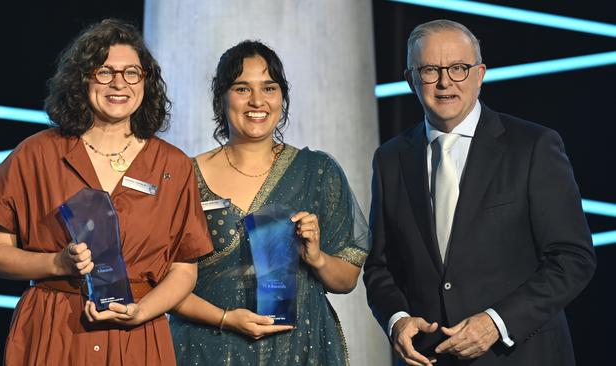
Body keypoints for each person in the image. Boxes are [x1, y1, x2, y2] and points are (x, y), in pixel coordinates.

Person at [0, 19, 212, 365]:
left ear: (146, 81)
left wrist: (141, 311)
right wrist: (56, 263)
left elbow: (184, 269)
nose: (119, 83)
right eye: (104, 72)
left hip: (138, 338)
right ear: (82, 79)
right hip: (52, 333)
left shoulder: (172, 166)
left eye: (132, 73)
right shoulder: (36, 154)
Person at [363, 19, 596, 366]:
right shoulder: (389, 159)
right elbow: (379, 268)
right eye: (429, 70)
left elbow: (573, 259)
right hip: (428, 359)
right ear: (411, 79)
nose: (445, 83)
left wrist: (496, 322)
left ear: (480, 73)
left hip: (520, 355)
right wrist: (397, 320)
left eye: (458, 68)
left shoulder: (533, 146)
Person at [167, 40, 370, 365]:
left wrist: (316, 258)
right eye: (242, 88)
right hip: (206, 348)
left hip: (297, 349)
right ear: (221, 97)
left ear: (283, 97)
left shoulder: (316, 172)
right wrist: (225, 318)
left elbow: (346, 280)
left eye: (269, 88)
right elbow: (164, 285)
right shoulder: (184, 177)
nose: (257, 101)